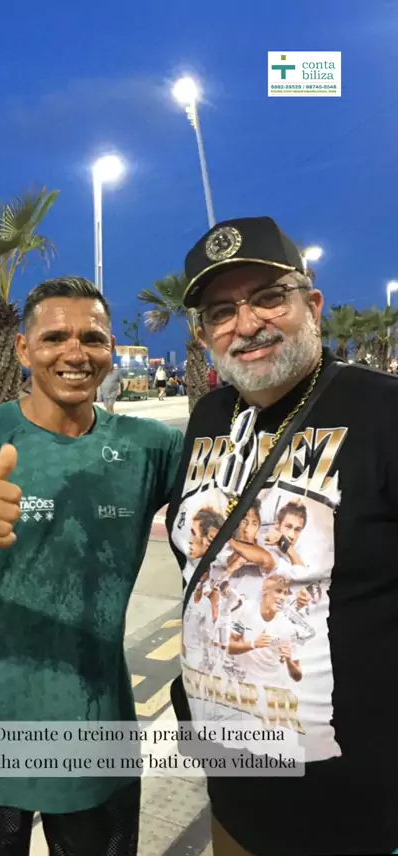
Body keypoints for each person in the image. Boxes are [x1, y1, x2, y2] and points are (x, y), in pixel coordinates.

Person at [0, 276, 183, 856]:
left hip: (96, 733)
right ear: (22, 348)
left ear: (110, 348)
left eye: (93, 338)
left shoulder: (151, 448)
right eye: (55, 337)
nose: (75, 353)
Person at [167, 216, 398, 855]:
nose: (246, 324)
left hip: (354, 798)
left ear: (311, 305)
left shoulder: (383, 410)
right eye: (221, 312)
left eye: (268, 297)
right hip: (232, 778)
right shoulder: (210, 415)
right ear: (204, 334)